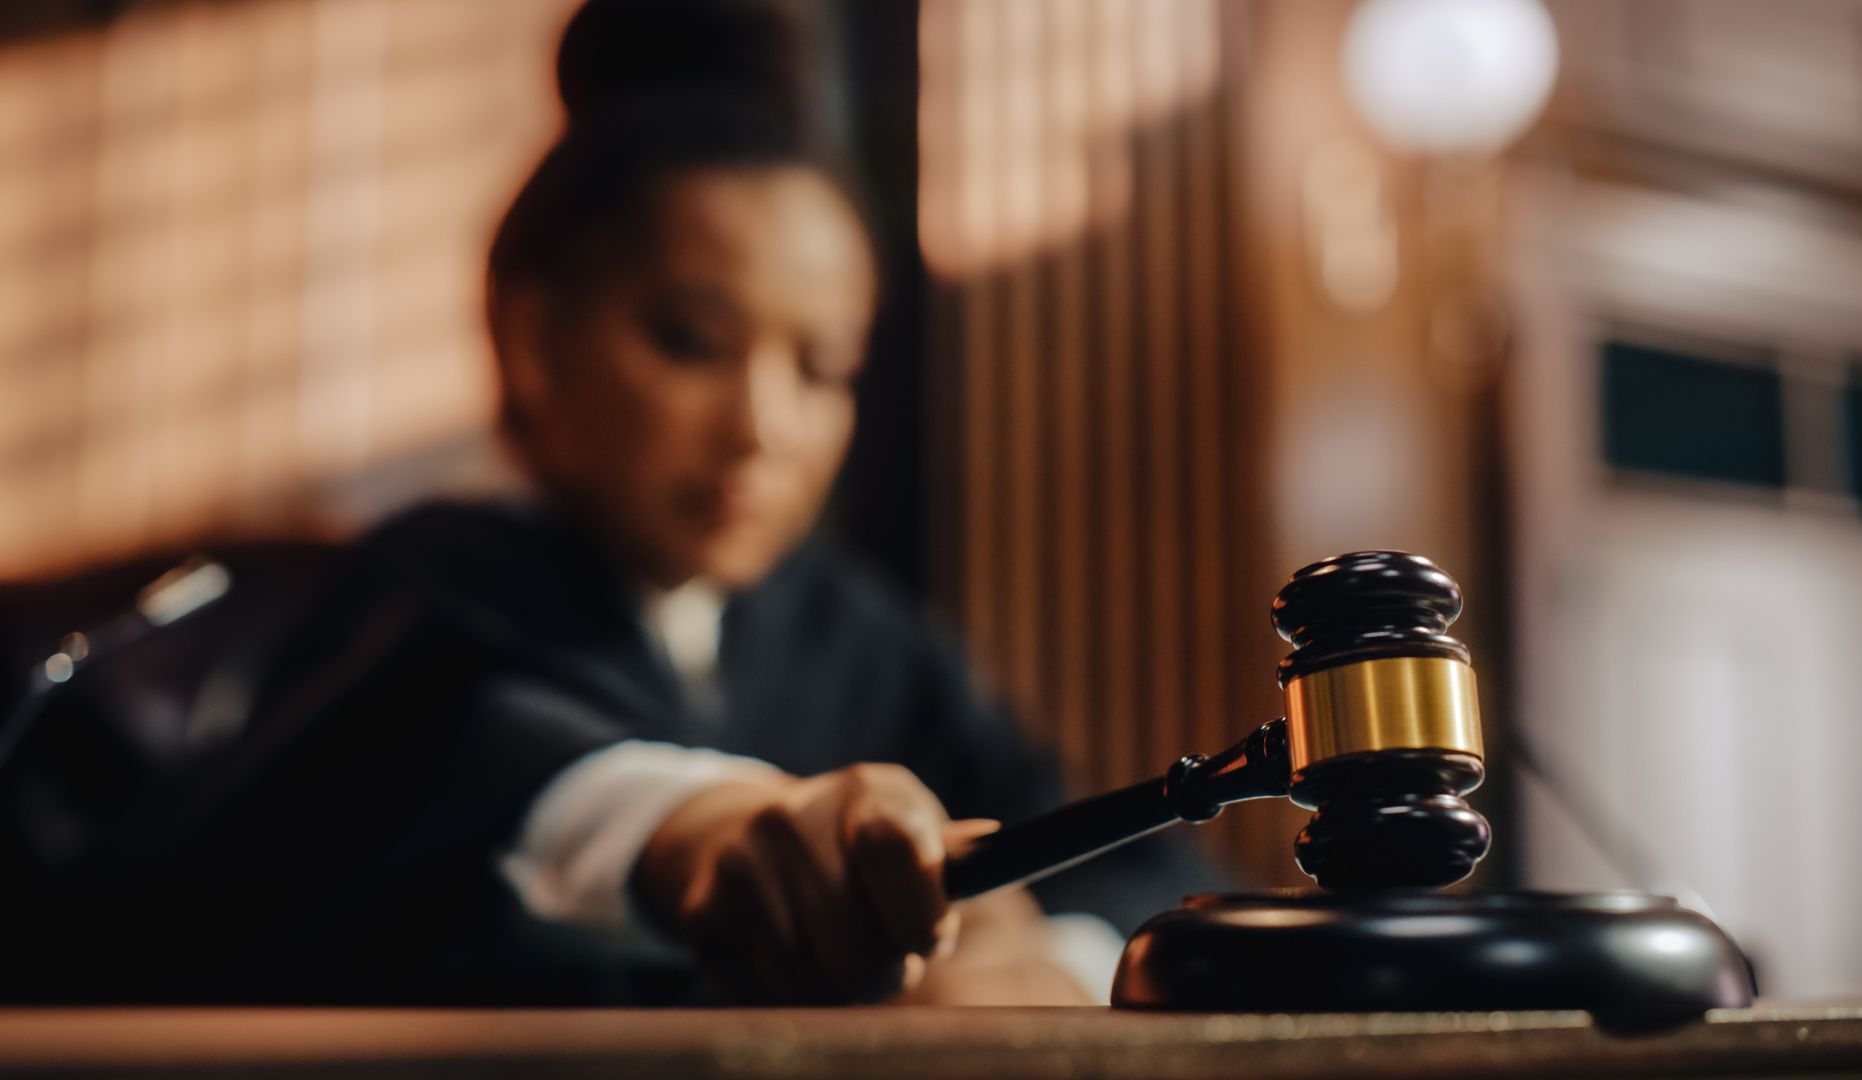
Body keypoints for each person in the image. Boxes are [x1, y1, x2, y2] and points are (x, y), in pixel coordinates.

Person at [6, 0, 1218, 1007]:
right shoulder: (420, 592)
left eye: (822, 368)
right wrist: (730, 836)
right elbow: (511, 769)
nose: (763, 424)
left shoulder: (852, 632)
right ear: (532, 336)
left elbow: (1141, 865)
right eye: (693, 341)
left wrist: (1054, 965)